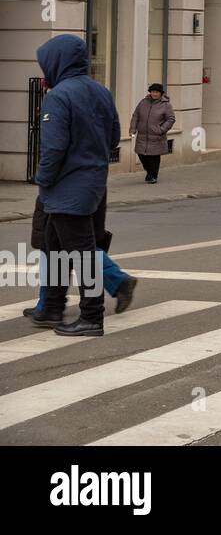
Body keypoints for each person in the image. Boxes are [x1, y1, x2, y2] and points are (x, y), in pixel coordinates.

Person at [30, 34, 119, 337]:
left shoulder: (59, 96)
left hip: (66, 189)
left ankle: (92, 317)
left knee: (82, 255)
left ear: (57, 62)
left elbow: (53, 148)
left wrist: (42, 178)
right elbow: (114, 137)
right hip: (94, 183)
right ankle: (52, 306)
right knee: (55, 247)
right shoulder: (101, 91)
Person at [26, 199, 137, 320]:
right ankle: (48, 304)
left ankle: (49, 305)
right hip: (73, 198)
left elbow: (48, 179)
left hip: (66, 200)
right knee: (64, 247)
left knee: (67, 247)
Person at [128, 83, 175, 185]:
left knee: (154, 157)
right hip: (142, 135)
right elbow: (136, 116)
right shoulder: (143, 102)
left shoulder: (166, 105)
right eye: (153, 92)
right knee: (141, 154)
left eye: (157, 92)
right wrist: (132, 129)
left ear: (160, 93)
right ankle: (149, 172)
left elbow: (171, 119)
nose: (154, 94)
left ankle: (153, 176)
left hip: (156, 135)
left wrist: (161, 129)